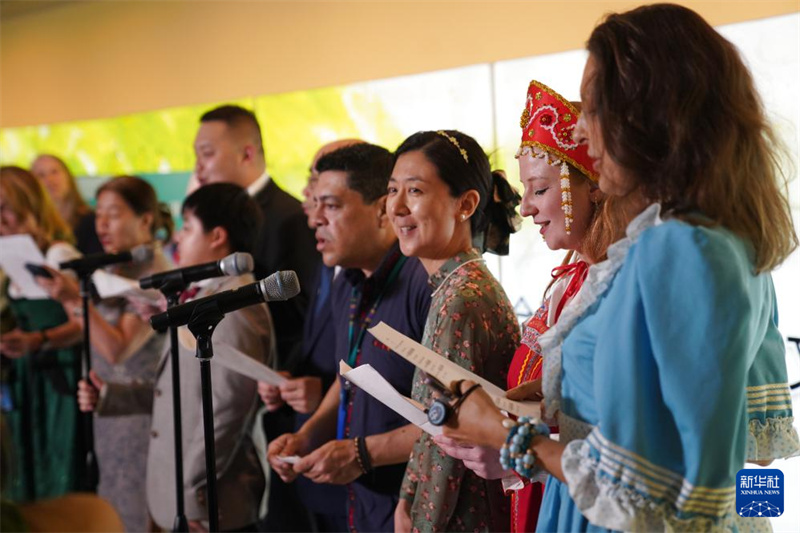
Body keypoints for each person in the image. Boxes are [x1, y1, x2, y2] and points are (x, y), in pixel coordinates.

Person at [439, 4, 800, 531]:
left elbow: (727, 460)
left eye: (593, 109)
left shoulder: (675, 250)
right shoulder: (690, 246)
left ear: (648, 119)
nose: (584, 133)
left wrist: (513, 440)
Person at [432, 82, 622, 533]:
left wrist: (516, 444)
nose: (529, 207)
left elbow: (740, 459)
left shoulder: (628, 280)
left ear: (594, 184)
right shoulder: (569, 282)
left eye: (539, 189)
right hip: (562, 495)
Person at [77, 183, 272, 531]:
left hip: (209, 503)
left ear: (217, 237)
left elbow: (226, 411)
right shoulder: (204, 297)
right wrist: (111, 395)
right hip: (177, 493)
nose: (178, 238)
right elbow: (171, 390)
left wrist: (191, 489)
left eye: (186, 227)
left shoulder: (237, 305)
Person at [267, 143, 431, 532]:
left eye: (332, 206)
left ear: (381, 210)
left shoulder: (424, 283)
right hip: (363, 501)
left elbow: (452, 420)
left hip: (416, 505)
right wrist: (306, 436)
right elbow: (349, 378)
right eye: (316, 205)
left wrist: (359, 454)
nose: (315, 221)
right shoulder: (350, 281)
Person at [386, 129, 521, 532]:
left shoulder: (460, 298)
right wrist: (406, 500)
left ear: (465, 204)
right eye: (392, 190)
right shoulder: (456, 287)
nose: (396, 207)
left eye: (414, 191)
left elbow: (451, 438)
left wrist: (421, 521)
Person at [39, 175, 173, 532]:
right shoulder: (116, 267)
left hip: (141, 413)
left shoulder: (154, 273)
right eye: (99, 214)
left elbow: (117, 349)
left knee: (139, 514)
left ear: (145, 220)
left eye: (113, 214)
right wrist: (44, 333)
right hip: (109, 413)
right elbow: (92, 329)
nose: (102, 224)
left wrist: (71, 298)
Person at [258, 139, 364, 532]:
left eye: (325, 191)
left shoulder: (377, 269)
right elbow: (315, 340)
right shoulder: (327, 258)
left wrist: (321, 389)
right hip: (313, 451)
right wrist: (285, 379)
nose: (311, 197)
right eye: (311, 182)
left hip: (354, 460)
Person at [194, 104, 318, 371]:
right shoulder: (221, 216)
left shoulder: (290, 218)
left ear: (247, 154)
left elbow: (298, 315)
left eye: (207, 154)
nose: (198, 168)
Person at [0, 166, 84, 502]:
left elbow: (83, 324)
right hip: (24, 381)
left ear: (29, 206)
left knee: (58, 472)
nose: (0, 218)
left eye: (5, 207)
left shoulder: (58, 254)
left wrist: (39, 339)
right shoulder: (9, 260)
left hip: (57, 383)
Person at [31, 154, 103, 254]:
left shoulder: (90, 220)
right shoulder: (32, 226)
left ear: (68, 176)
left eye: (55, 172)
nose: (49, 180)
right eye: (41, 175)